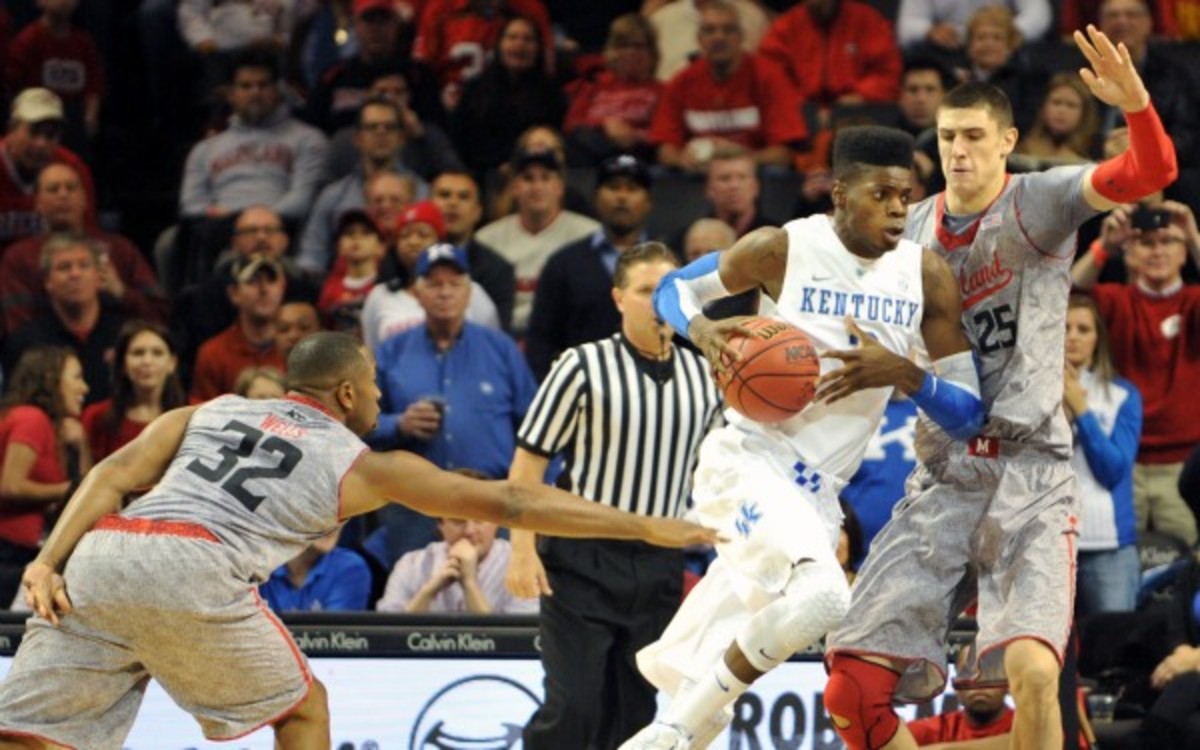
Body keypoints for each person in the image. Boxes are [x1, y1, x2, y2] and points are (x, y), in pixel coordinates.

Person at [0, 331, 716, 748]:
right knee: (303, 709)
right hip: (195, 562)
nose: (379, 398)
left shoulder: (208, 409)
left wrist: (47, 559)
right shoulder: (361, 463)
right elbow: (512, 499)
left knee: (31, 731)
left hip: (104, 553)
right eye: (373, 386)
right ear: (346, 394)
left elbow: (112, 474)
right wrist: (645, 524)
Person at [824, 25, 1178, 750]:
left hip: (1030, 472)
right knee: (849, 692)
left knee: (1035, 674)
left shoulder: (1040, 200)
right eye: (947, 136)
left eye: (974, 136)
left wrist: (1136, 105)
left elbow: (1151, 173)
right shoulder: (908, 230)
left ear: (1007, 141)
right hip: (945, 474)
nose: (958, 150)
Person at [620, 126, 981, 750]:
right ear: (840, 193)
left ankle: (675, 726)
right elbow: (672, 288)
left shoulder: (925, 275)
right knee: (823, 599)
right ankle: (673, 731)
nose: (897, 210)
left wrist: (906, 375)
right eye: (880, 195)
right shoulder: (783, 248)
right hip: (750, 460)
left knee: (696, 684)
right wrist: (702, 330)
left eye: (905, 196)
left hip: (819, 496)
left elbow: (969, 413)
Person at [507, 241, 725, 750]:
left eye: (668, 289)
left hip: (659, 565)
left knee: (635, 713)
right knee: (574, 707)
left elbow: (718, 471)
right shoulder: (580, 365)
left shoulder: (706, 378)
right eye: (646, 290)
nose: (657, 302)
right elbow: (528, 465)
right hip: (580, 559)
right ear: (618, 298)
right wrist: (520, 549)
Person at [1071, 199, 1200, 546]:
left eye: (1168, 241)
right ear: (1130, 253)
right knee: (1125, 563)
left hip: (1184, 464)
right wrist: (1104, 246)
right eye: (1146, 242)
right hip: (1123, 461)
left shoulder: (1193, 302)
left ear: (1184, 253)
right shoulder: (1116, 300)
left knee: (1189, 565)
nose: (1157, 250)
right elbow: (1068, 295)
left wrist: (1194, 237)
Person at [368, 243, 534, 479]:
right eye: (434, 284)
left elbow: (536, 425)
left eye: (454, 284)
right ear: (418, 294)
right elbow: (360, 425)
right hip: (415, 493)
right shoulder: (391, 351)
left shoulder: (502, 349)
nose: (445, 293)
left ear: (469, 294)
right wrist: (398, 424)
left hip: (491, 492)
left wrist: (538, 486)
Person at [0, 162, 167, 337]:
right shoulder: (19, 257)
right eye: (53, 189)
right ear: (38, 202)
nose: (63, 195)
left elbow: (160, 318)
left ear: (84, 198)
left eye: (71, 188)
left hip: (118, 345)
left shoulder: (120, 250)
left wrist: (122, 293)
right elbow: (17, 327)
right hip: (42, 349)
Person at [525, 153, 654, 380]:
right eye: (613, 187)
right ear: (596, 197)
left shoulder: (672, 266)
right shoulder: (563, 264)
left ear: (648, 202)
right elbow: (541, 341)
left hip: (656, 389)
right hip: (582, 389)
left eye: (632, 188)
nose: (622, 196)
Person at [649, 1, 806, 173]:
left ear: (741, 37)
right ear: (699, 39)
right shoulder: (681, 82)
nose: (719, 37)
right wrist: (681, 160)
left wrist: (742, 159)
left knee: (776, 172)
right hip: (698, 177)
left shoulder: (769, 77)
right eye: (710, 30)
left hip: (754, 175)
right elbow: (665, 149)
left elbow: (784, 154)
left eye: (728, 30)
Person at [1064, 294, 1142, 618]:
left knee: (1114, 645)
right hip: (1047, 546)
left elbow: (1113, 471)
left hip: (1108, 548)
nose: (1072, 337)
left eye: (1083, 329)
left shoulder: (1123, 394)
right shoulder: (1028, 393)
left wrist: (1081, 411)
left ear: (1098, 339)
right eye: (1065, 327)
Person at [0, 347, 90, 606]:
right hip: (8, 554)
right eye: (77, 377)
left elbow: (85, 488)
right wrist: (68, 488)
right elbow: (10, 486)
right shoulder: (31, 418)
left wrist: (82, 443)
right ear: (51, 378)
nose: (84, 387)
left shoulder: (44, 424)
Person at [378, 471, 537, 614]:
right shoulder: (411, 564)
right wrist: (429, 591)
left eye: (479, 520)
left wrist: (469, 583)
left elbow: (520, 635)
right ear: (440, 524)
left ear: (497, 522)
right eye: (457, 521)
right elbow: (388, 631)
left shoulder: (523, 566)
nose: (469, 531)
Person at [1, 233, 126, 405]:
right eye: (64, 267)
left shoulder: (124, 335)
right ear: (48, 282)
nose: (75, 274)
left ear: (99, 277)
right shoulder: (25, 343)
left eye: (84, 265)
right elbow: (15, 405)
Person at [0, 88, 95, 250]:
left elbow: (85, 239)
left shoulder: (72, 169)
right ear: (11, 130)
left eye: (50, 135)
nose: (41, 144)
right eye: (34, 132)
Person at [80, 321, 186, 462]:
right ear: (123, 364)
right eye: (138, 353)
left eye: (157, 353)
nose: (147, 361)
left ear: (172, 363)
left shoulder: (193, 416)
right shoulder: (96, 417)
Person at [190, 254, 288, 402]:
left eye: (271, 280)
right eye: (252, 281)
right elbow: (202, 411)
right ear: (234, 293)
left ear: (282, 288)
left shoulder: (297, 353)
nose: (264, 289)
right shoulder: (213, 354)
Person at [259, 525, 372, 612]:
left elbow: (332, 633)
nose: (333, 524)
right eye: (319, 512)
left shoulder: (350, 568)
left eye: (341, 516)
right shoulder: (258, 564)